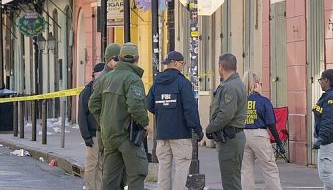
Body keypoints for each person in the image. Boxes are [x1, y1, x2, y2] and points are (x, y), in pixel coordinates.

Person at [89, 43, 149, 190]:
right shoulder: (133, 79)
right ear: (137, 59)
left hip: (109, 136)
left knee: (110, 179)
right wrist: (145, 123)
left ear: (120, 58)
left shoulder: (105, 78)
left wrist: (104, 120)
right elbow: (136, 106)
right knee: (136, 174)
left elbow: (93, 103)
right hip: (127, 135)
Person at [147, 50, 202, 190]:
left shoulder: (157, 83)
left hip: (162, 135)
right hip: (181, 134)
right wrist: (197, 129)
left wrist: (163, 113)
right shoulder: (183, 83)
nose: (182, 66)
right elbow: (190, 109)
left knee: (164, 169)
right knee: (181, 168)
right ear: (176, 63)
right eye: (182, 63)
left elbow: (149, 104)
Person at [205, 53, 246, 190]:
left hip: (230, 138)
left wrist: (210, 128)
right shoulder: (234, 83)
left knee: (231, 182)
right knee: (231, 179)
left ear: (221, 67)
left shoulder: (230, 86)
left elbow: (226, 114)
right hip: (231, 137)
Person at [241, 71, 283, 190]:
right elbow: (271, 123)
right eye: (261, 84)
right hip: (259, 134)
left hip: (243, 135)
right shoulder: (264, 101)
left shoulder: (240, 101)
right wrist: (279, 142)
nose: (261, 86)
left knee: (246, 170)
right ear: (255, 85)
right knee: (269, 168)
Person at [79, 62, 105, 190]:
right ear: (94, 75)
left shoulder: (103, 88)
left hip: (102, 133)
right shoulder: (87, 91)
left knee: (100, 164)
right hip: (93, 133)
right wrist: (86, 136)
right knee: (91, 164)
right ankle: (90, 188)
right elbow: (82, 115)